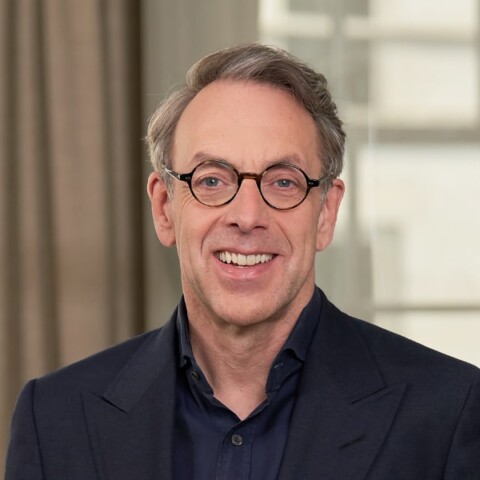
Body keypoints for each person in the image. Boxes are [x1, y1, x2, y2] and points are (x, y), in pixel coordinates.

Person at [5, 43, 480, 480]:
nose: (248, 216)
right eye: (211, 181)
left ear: (326, 213)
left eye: (283, 181)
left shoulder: (448, 412)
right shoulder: (54, 419)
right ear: (165, 208)